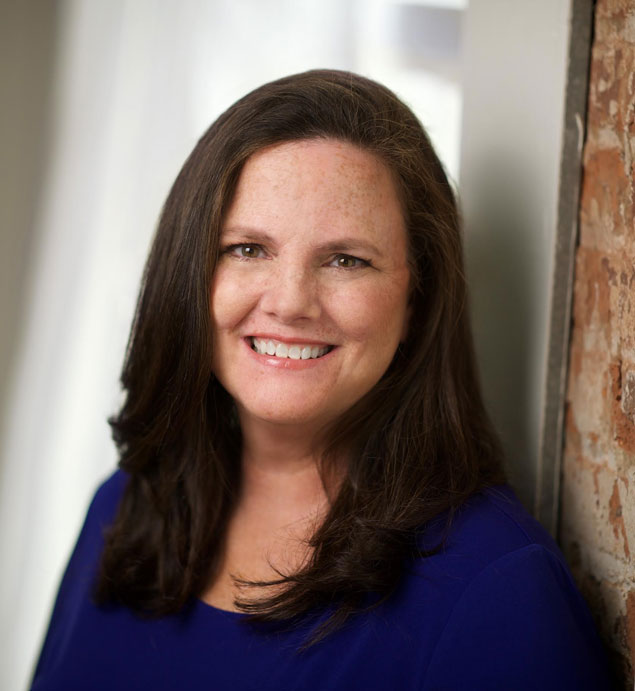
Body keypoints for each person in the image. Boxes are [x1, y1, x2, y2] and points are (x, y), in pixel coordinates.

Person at [31, 70, 611, 690]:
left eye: (346, 260)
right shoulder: (121, 509)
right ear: (190, 272)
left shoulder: (497, 585)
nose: (289, 302)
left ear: (417, 299)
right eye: (248, 249)